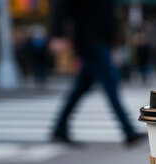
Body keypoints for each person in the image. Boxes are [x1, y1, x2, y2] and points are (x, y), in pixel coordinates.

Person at [49, 0, 144, 147]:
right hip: (91, 42)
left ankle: (59, 129)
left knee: (80, 89)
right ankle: (128, 131)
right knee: (111, 86)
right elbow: (62, 5)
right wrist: (57, 34)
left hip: (98, 42)